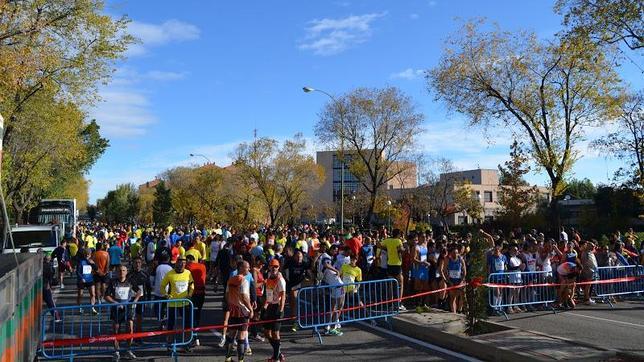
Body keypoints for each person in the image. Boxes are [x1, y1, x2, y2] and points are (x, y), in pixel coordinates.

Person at [105, 264, 141, 361]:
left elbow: (139, 291)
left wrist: (135, 300)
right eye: (120, 271)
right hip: (116, 309)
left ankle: (128, 350)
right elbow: (106, 296)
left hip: (128, 308)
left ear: (126, 272)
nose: (122, 272)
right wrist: (115, 302)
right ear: (117, 272)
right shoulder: (113, 282)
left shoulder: (130, 281)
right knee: (116, 330)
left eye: (124, 270)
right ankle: (116, 352)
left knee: (130, 329)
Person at [160, 255, 194, 351]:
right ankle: (170, 345)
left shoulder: (188, 273)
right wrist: (166, 295)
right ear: (177, 263)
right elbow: (162, 286)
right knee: (171, 325)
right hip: (173, 303)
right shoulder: (170, 274)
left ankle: (186, 345)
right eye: (180, 262)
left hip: (185, 303)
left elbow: (191, 284)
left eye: (184, 262)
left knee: (187, 325)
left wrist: (190, 294)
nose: (182, 264)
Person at [225, 261, 253, 362]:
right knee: (242, 335)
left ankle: (227, 358)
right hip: (242, 311)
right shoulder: (244, 281)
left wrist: (231, 304)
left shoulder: (231, 280)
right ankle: (241, 360)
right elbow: (245, 297)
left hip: (233, 310)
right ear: (241, 267)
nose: (249, 269)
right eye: (247, 267)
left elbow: (227, 295)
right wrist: (250, 309)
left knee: (231, 334)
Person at [263, 258, 286, 362]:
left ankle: (275, 358)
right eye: (272, 266)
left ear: (278, 267)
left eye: (276, 266)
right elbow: (269, 293)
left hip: (277, 307)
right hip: (270, 306)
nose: (274, 268)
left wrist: (280, 311)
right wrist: (265, 306)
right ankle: (279, 353)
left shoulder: (280, 279)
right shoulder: (269, 276)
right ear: (269, 267)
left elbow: (283, 296)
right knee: (267, 333)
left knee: (276, 333)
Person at [381, 229, 406, 311]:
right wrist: (404, 248)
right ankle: (398, 303)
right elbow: (401, 250)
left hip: (390, 264)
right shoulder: (398, 241)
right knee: (401, 283)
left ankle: (390, 304)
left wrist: (386, 248)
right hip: (397, 264)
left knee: (391, 285)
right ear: (398, 234)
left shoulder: (387, 240)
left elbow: (379, 244)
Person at [284, 250, 309, 332]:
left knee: (295, 301)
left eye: (301, 257)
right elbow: (282, 269)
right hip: (290, 283)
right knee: (292, 302)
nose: (299, 258)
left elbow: (310, 270)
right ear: (294, 257)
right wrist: (284, 278)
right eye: (298, 257)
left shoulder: (304, 263)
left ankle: (296, 322)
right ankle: (293, 317)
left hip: (298, 284)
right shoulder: (290, 262)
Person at [185, 254, 206, 347]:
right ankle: (196, 337)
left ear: (189, 260)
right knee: (197, 315)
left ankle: (192, 338)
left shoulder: (188, 266)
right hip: (201, 293)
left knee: (190, 316)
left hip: (192, 294)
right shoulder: (203, 266)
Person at [128, 256, 151, 340]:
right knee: (130, 319)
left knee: (139, 318)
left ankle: (138, 336)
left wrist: (148, 299)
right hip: (131, 299)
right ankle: (130, 336)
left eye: (139, 263)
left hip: (141, 299)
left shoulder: (145, 274)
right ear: (133, 264)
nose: (137, 264)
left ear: (141, 264)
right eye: (135, 263)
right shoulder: (129, 274)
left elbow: (148, 288)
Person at [442, 246, 466, 313]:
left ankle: (459, 310)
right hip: (452, 281)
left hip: (459, 280)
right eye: (453, 253)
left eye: (456, 253)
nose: (455, 254)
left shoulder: (460, 259)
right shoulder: (447, 260)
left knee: (462, 296)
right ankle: (454, 312)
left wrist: (461, 281)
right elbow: (444, 271)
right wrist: (449, 281)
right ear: (450, 253)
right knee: (453, 298)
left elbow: (464, 272)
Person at [75, 248, 98, 315]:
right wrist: (81, 278)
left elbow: (96, 269)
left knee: (93, 294)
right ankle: (80, 308)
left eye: (89, 254)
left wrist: (93, 264)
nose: (87, 256)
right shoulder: (81, 261)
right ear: (84, 254)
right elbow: (77, 272)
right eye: (86, 254)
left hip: (90, 279)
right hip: (82, 281)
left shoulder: (91, 261)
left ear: (90, 255)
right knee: (80, 295)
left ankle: (92, 308)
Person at [152, 252, 173, 323]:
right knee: (165, 307)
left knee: (157, 307)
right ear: (168, 259)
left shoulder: (157, 267)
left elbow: (152, 277)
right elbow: (171, 281)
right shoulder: (170, 268)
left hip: (157, 291)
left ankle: (159, 319)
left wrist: (152, 286)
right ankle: (163, 320)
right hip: (166, 291)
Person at [43, 254, 62, 322]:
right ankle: (57, 317)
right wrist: (49, 282)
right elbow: (51, 275)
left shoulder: (41, 265)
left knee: (49, 302)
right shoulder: (49, 266)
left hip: (43, 285)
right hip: (46, 286)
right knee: (50, 302)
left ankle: (57, 316)